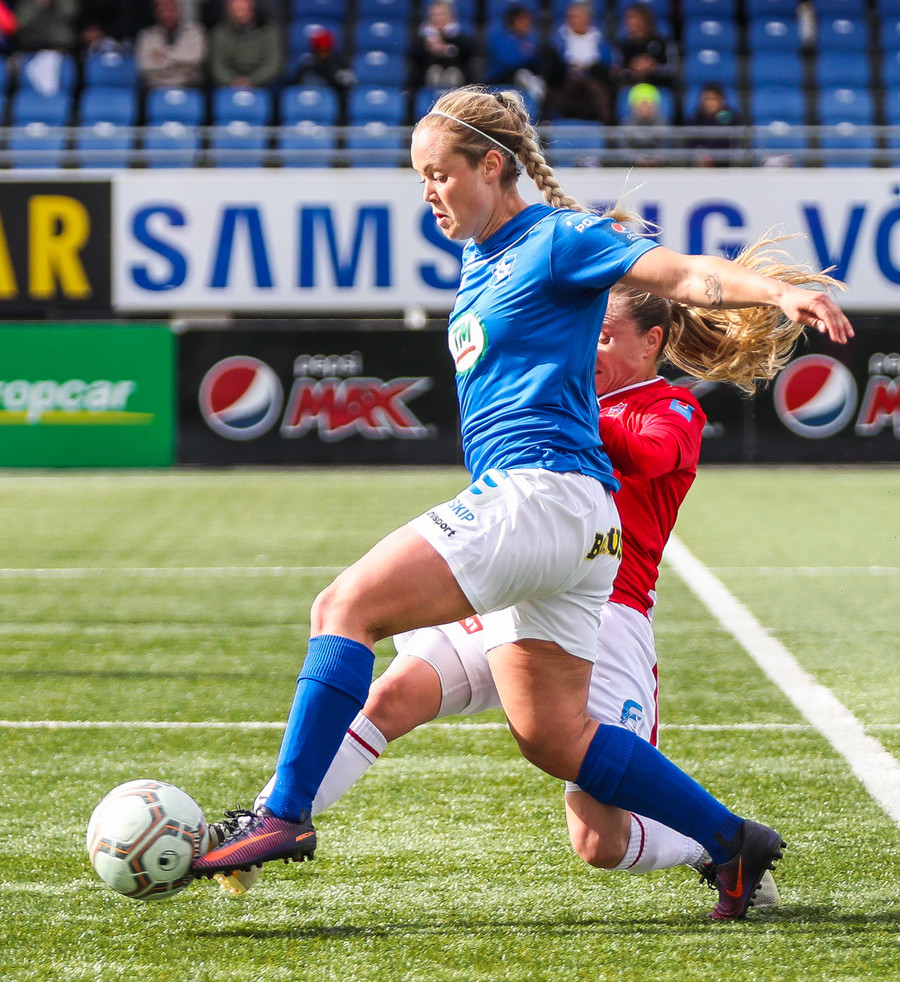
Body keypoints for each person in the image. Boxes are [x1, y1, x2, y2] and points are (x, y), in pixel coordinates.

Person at [191, 84, 853, 922]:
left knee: (344, 607)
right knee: (553, 737)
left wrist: (772, 293)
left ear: (492, 166)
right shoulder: (480, 264)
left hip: (540, 496)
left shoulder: (556, 238)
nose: (428, 193)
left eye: (439, 174)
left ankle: (282, 817)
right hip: (571, 524)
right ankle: (730, 842)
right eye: (420, 178)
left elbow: (682, 273)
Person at [543, 0, 615, 125]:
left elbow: (606, 63)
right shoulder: (558, 40)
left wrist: (586, 69)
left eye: (575, 16)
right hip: (567, 79)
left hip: (592, 77)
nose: (571, 20)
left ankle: (608, 124)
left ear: (586, 18)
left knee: (597, 88)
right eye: (569, 16)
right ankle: (547, 121)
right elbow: (555, 66)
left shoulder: (600, 40)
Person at [208, 0, 282, 89]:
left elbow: (273, 64)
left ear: (252, 10)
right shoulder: (220, 33)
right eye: (236, 11)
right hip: (228, 86)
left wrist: (252, 81)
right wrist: (233, 81)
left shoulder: (268, 32)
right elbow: (218, 67)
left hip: (263, 85)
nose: (240, 15)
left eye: (243, 10)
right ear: (229, 12)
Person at [135, 0, 206, 89]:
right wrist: (180, 63)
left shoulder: (195, 32)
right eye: (161, 8)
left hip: (189, 86)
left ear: (178, 10)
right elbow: (146, 67)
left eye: (168, 7)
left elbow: (195, 59)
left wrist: (162, 55)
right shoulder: (146, 36)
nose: (165, 13)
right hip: (155, 87)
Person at [409, 0, 475, 92]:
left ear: (450, 16)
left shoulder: (459, 36)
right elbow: (413, 56)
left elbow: (469, 52)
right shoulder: (422, 38)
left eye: (441, 14)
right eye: (434, 15)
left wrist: (448, 49)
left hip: (458, 76)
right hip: (426, 79)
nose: (438, 18)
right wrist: (429, 47)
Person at [614, 1, 676, 91]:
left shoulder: (664, 43)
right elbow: (619, 72)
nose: (629, 24)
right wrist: (634, 70)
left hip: (660, 90)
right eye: (627, 20)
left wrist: (653, 68)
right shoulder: (623, 46)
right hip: (632, 91)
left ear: (645, 21)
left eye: (634, 19)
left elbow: (673, 69)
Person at [687, 83, 742, 168]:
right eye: (707, 99)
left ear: (721, 100)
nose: (710, 103)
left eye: (713, 99)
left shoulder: (730, 117)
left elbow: (736, 142)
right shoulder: (697, 118)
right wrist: (703, 153)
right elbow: (692, 143)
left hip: (727, 161)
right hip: (704, 163)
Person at [619, 81, 667, 166]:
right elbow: (623, 148)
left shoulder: (663, 123)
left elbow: (667, 146)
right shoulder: (626, 124)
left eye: (648, 105)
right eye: (641, 105)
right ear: (633, 106)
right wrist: (636, 159)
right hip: (633, 167)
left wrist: (657, 158)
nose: (645, 109)